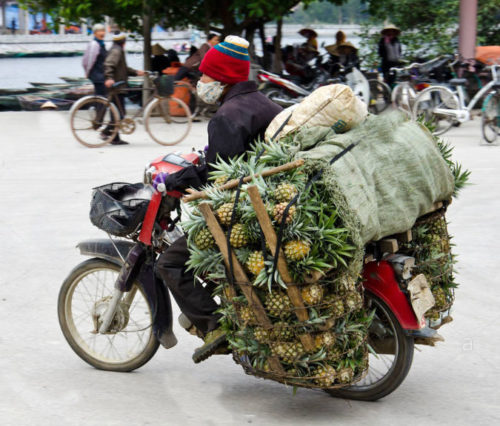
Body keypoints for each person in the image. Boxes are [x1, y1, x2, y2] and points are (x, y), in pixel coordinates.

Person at [155, 35, 282, 363]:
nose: (200, 83)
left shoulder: (227, 116)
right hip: (271, 201)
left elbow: (218, 178)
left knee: (169, 262)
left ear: (221, 78)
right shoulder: (267, 104)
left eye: (205, 77)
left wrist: (174, 180)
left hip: (244, 212)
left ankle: (215, 327)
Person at [103, 31, 144, 145]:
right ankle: (106, 133)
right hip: (116, 86)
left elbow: (124, 69)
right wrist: (109, 77)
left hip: (119, 85)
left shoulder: (117, 49)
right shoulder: (117, 51)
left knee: (118, 113)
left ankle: (114, 137)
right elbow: (109, 64)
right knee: (119, 113)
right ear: (123, 42)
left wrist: (136, 72)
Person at [82, 24, 107, 99]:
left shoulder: (102, 44)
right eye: (99, 31)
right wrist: (87, 72)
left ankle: (101, 109)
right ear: (95, 33)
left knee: (102, 96)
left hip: (101, 74)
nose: (102, 33)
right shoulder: (94, 44)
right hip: (97, 75)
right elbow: (89, 60)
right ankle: (100, 110)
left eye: (103, 31)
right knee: (101, 97)